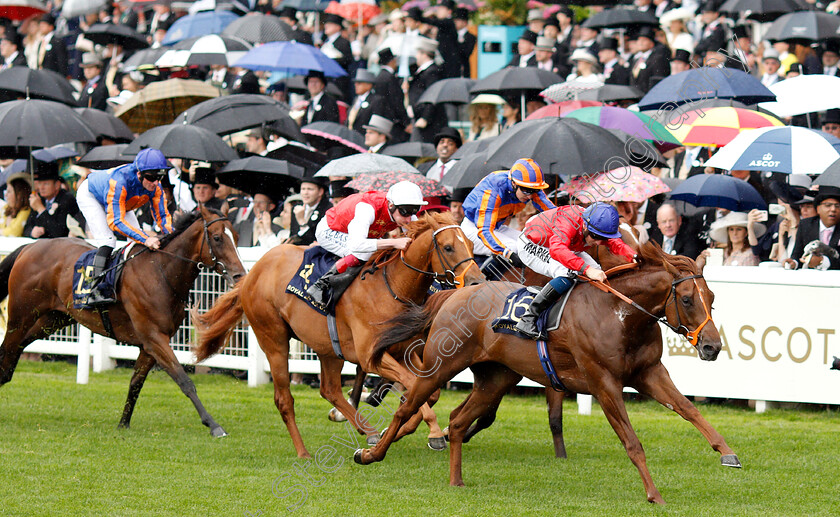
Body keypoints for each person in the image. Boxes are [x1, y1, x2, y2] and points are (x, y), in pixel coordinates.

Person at [515, 202, 638, 339]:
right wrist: (586, 269)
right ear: (585, 226)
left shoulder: (595, 225)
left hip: (565, 244)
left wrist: (633, 255)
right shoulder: (569, 220)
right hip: (533, 244)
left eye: (602, 238)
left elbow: (614, 242)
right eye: (596, 237)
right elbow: (557, 249)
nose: (598, 243)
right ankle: (528, 318)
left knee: (597, 273)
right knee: (568, 273)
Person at [75, 148, 172, 305]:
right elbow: (116, 222)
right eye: (151, 177)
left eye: (160, 177)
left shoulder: (156, 187)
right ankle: (94, 289)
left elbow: (162, 216)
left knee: (135, 241)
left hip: (121, 202)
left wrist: (172, 236)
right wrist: (146, 238)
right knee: (108, 240)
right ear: (139, 174)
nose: (155, 182)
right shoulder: (120, 181)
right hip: (91, 196)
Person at [306, 181, 427, 305]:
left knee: (385, 251)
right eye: (405, 212)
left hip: (360, 233)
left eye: (413, 212)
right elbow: (356, 245)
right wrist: (394, 242)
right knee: (365, 253)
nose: (408, 219)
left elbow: (416, 240)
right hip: (331, 230)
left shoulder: (402, 209)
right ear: (391, 205)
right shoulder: (367, 208)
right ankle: (320, 286)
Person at [461, 158, 555, 263]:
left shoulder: (527, 186)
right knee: (515, 248)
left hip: (496, 227)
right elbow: (484, 230)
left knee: (532, 245)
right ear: (514, 184)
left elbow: (553, 212)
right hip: (474, 229)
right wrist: (507, 253)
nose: (530, 196)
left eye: (535, 191)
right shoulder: (494, 189)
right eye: (526, 190)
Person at [23, 160, 85, 239]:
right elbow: (26, 228)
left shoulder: (67, 199)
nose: (41, 188)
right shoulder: (39, 199)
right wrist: (32, 232)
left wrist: (41, 209)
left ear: (57, 185)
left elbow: (58, 232)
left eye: (46, 184)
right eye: (39, 184)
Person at [787, 185, 840, 270]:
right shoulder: (806, 225)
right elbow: (797, 254)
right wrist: (793, 263)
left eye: (837, 206)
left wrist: (822, 261)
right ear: (818, 209)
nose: (833, 209)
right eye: (828, 205)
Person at [696, 211, 765, 270]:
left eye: (739, 229)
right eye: (731, 229)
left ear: (746, 232)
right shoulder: (723, 253)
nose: (734, 233)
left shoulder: (750, 254)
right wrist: (705, 258)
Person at [287, 178, 331, 246]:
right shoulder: (296, 207)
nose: (305, 193)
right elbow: (293, 233)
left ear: (320, 192)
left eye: (310, 189)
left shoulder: (328, 209)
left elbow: (315, 240)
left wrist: (301, 221)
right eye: (303, 189)